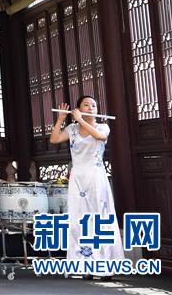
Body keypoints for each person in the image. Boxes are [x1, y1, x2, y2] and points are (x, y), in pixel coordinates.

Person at [50, 96, 125, 279]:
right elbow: (54, 139)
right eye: (86, 105)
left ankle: (105, 265)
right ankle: (85, 265)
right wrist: (61, 119)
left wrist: (81, 120)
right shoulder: (72, 129)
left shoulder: (102, 126)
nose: (91, 108)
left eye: (93, 105)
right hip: (77, 177)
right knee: (79, 219)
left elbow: (100, 137)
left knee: (100, 218)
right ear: (78, 108)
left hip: (96, 176)